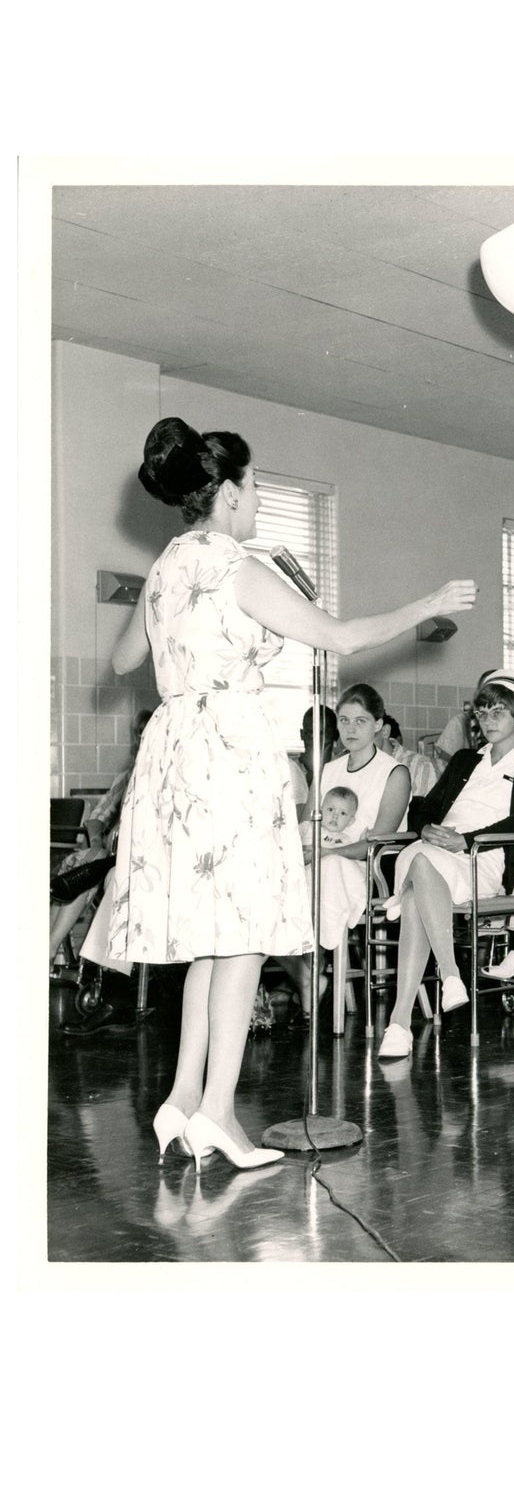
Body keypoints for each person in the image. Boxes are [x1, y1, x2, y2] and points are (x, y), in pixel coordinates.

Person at [110, 418, 475, 1166]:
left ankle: (180, 1100)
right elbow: (339, 639)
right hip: (229, 751)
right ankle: (218, 1113)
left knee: (204, 942)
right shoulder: (238, 566)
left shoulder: (167, 566)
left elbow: (123, 661)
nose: (256, 501)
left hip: (172, 749)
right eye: (254, 488)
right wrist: (427, 601)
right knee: (243, 935)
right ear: (233, 492)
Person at [378, 672, 514, 1058]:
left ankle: (400, 1023)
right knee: (421, 860)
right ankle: (450, 974)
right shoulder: (462, 760)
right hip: (436, 850)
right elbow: (426, 805)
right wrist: (426, 826)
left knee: (415, 894)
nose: (489, 719)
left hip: (480, 859)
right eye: (484, 711)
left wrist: (465, 840)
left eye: (500, 712)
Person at [275, 682, 413, 1019]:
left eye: (361, 721)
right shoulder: (327, 770)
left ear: (379, 725)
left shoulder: (394, 772)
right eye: (344, 720)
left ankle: (311, 970)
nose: (350, 729)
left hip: (368, 869)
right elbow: (307, 825)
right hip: (320, 859)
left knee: (328, 872)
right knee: (265, 881)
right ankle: (306, 975)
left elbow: (379, 840)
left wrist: (324, 855)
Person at [48, 706, 154, 968]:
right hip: (111, 854)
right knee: (86, 864)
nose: (142, 739)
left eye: (146, 734)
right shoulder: (126, 776)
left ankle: (48, 948)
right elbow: (96, 817)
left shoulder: (161, 776)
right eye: (138, 735)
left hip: (142, 857)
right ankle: (47, 946)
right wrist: (96, 841)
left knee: (84, 871)